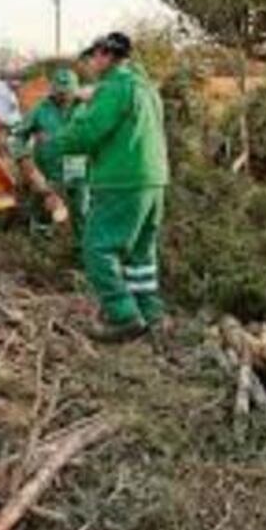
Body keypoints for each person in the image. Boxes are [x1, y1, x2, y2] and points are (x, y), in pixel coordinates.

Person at [50, 33, 170, 343]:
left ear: (105, 55)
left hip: (122, 179)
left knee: (97, 248)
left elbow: (87, 134)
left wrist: (55, 143)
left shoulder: (114, 88)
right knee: (141, 252)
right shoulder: (145, 87)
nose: (89, 64)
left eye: (91, 57)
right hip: (153, 180)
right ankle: (151, 313)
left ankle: (124, 316)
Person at [9, 68, 89, 251]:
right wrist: (23, 157)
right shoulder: (40, 110)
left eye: (67, 93)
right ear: (53, 90)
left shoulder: (84, 110)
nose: (63, 97)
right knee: (42, 212)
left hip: (78, 170)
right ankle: (40, 250)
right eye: (59, 92)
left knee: (82, 213)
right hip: (46, 171)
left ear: (75, 90)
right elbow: (16, 136)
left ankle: (82, 254)